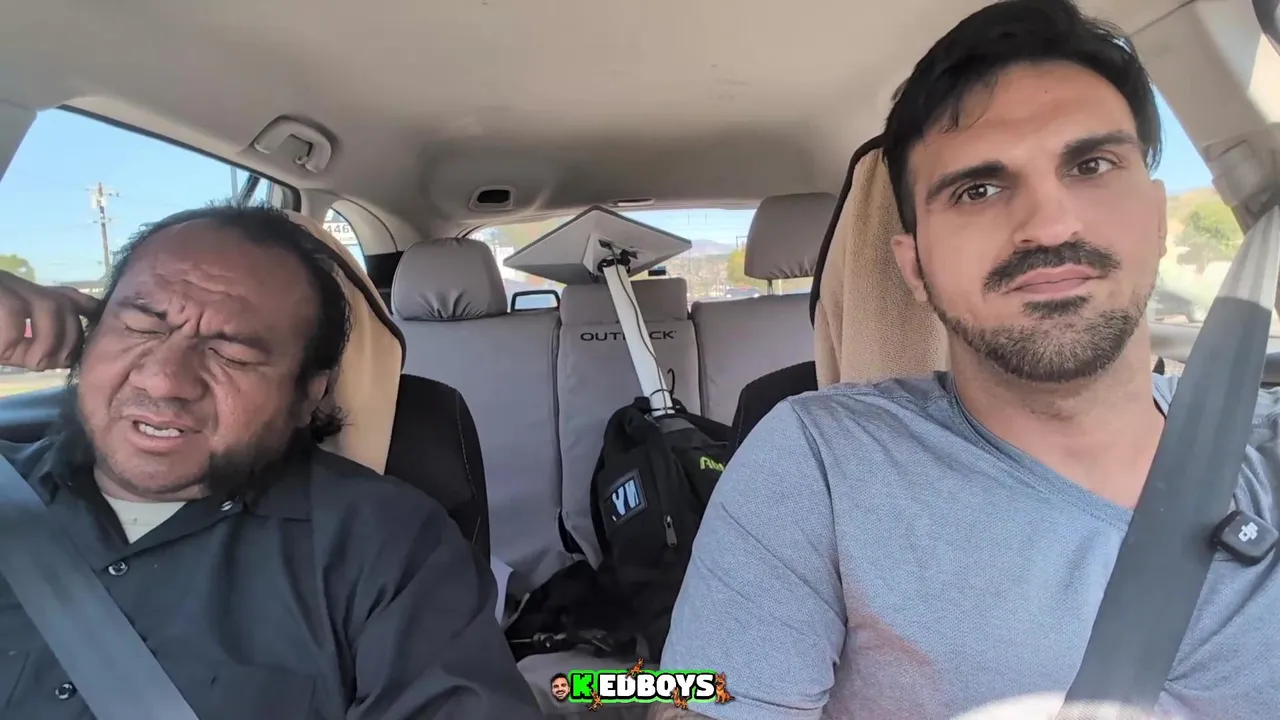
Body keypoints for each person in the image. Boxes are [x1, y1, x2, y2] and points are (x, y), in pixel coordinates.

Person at [653, 0, 1280, 718]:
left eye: (1092, 164)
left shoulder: (1266, 444)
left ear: (1159, 219)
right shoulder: (819, 465)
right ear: (913, 267)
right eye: (978, 189)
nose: (1050, 224)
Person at [0, 205, 542, 718]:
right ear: (88, 335)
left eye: (231, 353)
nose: (164, 380)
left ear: (308, 396)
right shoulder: (10, 487)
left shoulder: (387, 547)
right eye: (142, 327)